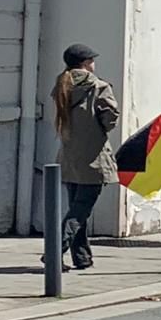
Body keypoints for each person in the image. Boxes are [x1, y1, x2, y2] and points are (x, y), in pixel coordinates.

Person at [51, 44, 119, 271]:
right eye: (92, 60)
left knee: (75, 208)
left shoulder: (62, 85)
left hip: (69, 158)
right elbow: (109, 121)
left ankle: (82, 257)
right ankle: (54, 251)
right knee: (80, 211)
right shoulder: (98, 86)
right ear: (86, 63)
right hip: (93, 159)